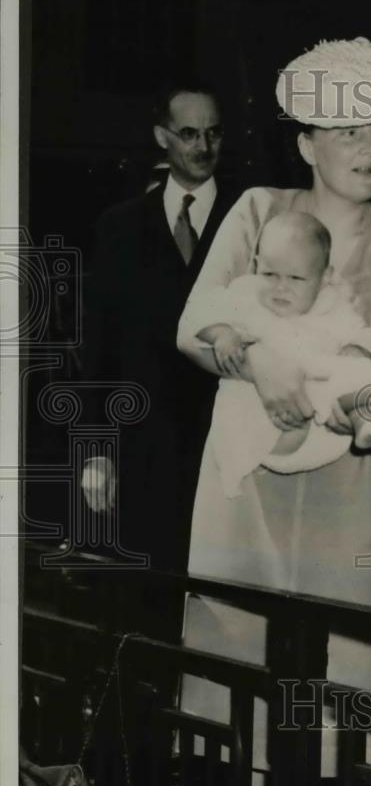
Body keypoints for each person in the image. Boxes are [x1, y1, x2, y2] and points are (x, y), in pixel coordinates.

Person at [176, 37, 371, 786]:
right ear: (306, 140)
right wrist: (259, 361)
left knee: (363, 704)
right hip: (245, 489)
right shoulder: (257, 209)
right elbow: (194, 325)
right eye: (353, 132)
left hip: (350, 497)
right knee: (243, 690)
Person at [79, 82, 238, 589]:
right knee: (144, 597)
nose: (202, 146)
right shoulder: (119, 227)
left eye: (213, 133)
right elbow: (99, 346)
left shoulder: (251, 219)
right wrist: (97, 450)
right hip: (142, 447)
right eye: (188, 133)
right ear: (161, 137)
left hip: (228, 445)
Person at [191, 210, 371, 496]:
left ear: (325, 278)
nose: (280, 287)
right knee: (327, 382)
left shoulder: (332, 304)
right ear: (256, 266)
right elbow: (201, 313)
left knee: (348, 373)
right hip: (263, 423)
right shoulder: (246, 295)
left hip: (324, 431)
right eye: (270, 274)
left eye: (296, 278)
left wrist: (357, 352)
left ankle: (366, 420)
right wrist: (222, 333)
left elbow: (361, 334)